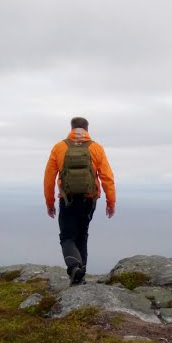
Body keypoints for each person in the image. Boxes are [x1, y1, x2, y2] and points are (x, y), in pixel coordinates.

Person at [43, 116, 116, 285]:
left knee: (67, 237)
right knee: (82, 235)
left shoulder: (59, 148)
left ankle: (74, 267)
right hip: (88, 200)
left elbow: (48, 178)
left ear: (71, 128)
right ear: (87, 130)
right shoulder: (96, 148)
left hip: (67, 200)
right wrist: (110, 202)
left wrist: (49, 203)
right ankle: (80, 272)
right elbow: (107, 177)